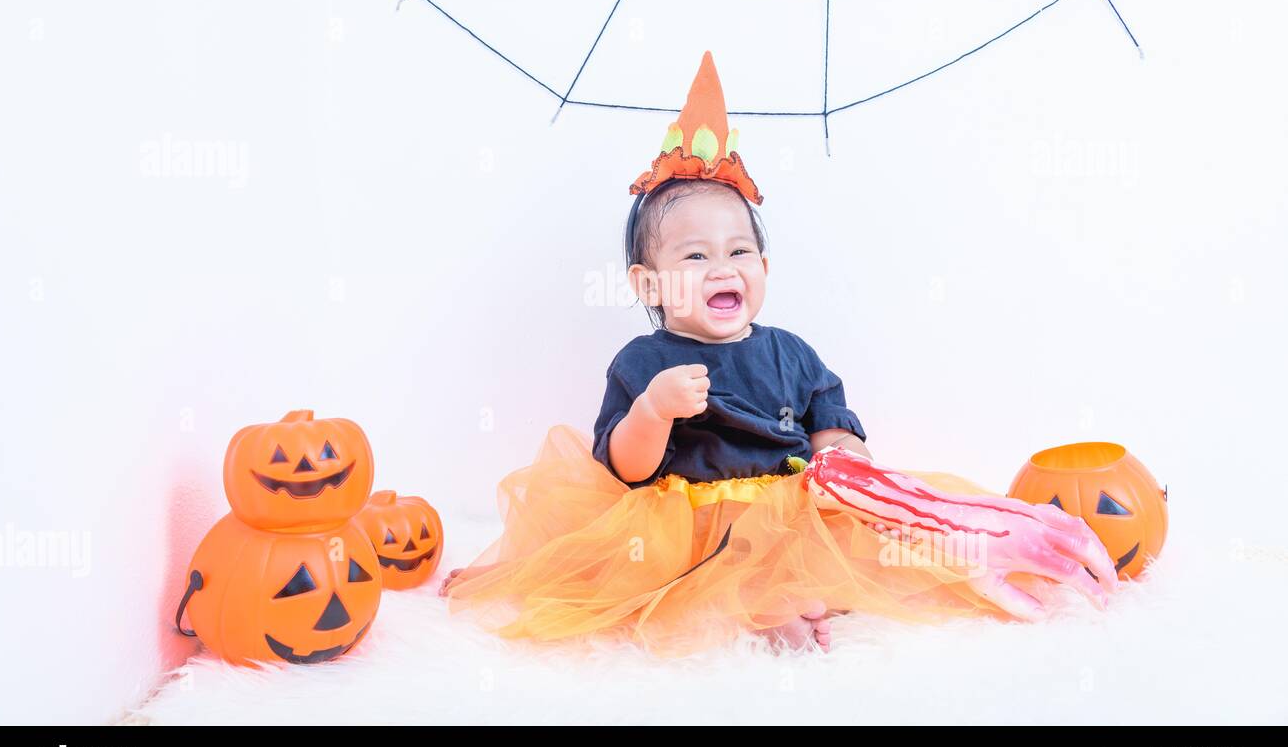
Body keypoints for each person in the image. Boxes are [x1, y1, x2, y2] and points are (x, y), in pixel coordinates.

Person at [440, 52, 1114, 655]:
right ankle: (762, 608)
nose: (721, 267)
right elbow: (626, 469)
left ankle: (801, 591)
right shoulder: (643, 363)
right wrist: (653, 410)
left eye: (738, 252)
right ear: (650, 284)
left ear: (762, 265)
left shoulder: (791, 351)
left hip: (793, 507)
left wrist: (842, 456)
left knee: (879, 555)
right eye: (695, 255)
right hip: (692, 522)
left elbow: (830, 416)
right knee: (689, 581)